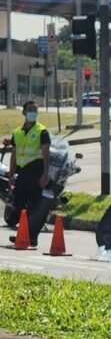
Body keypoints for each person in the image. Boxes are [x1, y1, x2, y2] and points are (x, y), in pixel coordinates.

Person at [8, 101, 50, 247]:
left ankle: (31, 237)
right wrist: (11, 174)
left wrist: (45, 174)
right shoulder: (17, 133)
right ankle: (23, 234)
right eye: (30, 109)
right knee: (19, 204)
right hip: (22, 172)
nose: (33, 112)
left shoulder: (42, 131)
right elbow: (13, 156)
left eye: (35, 110)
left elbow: (46, 154)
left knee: (34, 205)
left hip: (36, 171)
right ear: (24, 113)